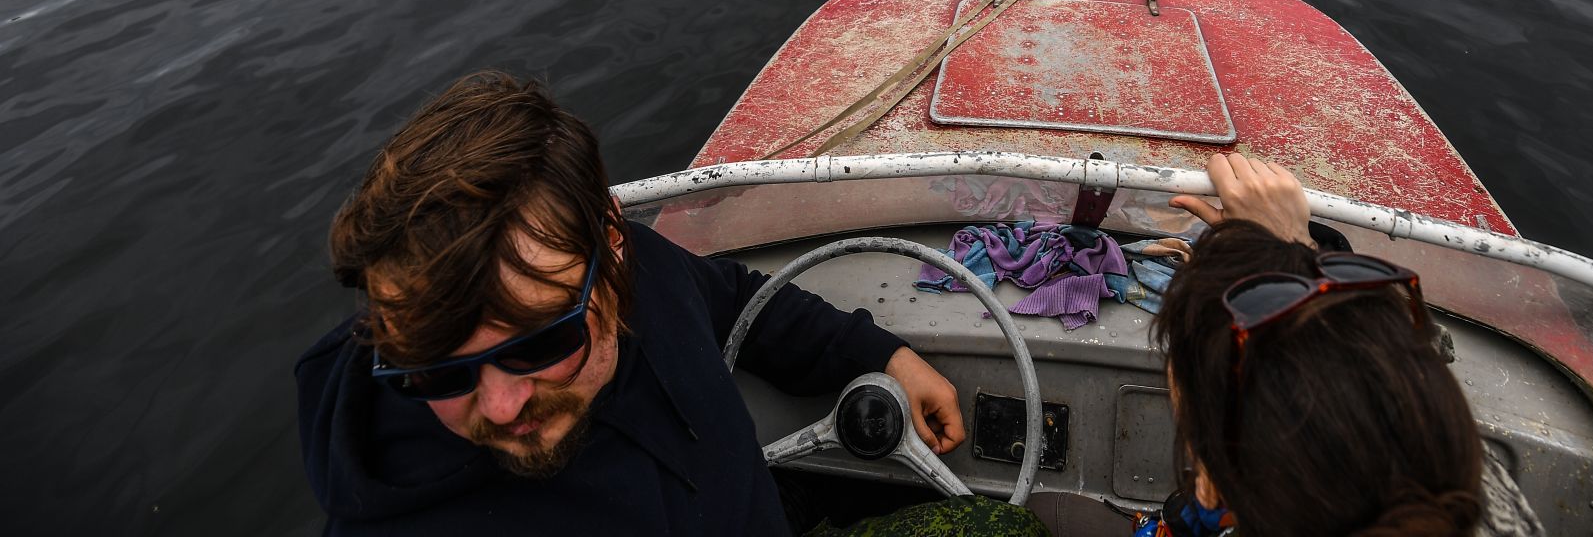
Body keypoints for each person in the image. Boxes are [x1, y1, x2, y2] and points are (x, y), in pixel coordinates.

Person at [294, 71, 1038, 536]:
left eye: (537, 341)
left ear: (611, 248)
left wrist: (879, 354)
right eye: (433, 372)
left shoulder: (648, 272)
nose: (497, 404)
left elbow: (738, 298)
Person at [1156, 154, 1512, 537]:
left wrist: (1289, 244)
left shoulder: (1453, 487)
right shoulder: (1467, 501)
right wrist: (1292, 246)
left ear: (1210, 487)